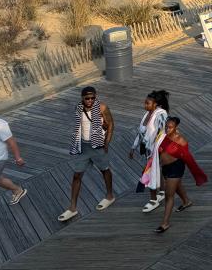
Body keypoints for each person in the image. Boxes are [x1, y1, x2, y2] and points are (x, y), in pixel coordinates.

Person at [58, 86, 116, 221]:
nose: (90, 100)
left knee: (105, 170)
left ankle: (109, 196)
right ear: (82, 98)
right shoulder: (78, 108)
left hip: (98, 146)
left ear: (95, 96)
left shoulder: (102, 107)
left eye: (92, 98)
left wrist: (107, 143)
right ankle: (72, 208)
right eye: (87, 98)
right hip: (83, 146)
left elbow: (111, 124)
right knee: (77, 175)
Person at [153, 116, 207, 232]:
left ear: (176, 127)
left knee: (169, 195)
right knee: (177, 186)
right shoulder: (163, 136)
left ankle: (165, 223)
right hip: (165, 168)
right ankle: (186, 201)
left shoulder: (181, 140)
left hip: (176, 168)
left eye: (170, 127)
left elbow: (188, 158)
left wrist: (196, 173)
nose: (167, 129)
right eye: (166, 127)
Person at [130, 89, 169, 213]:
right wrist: (133, 147)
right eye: (145, 103)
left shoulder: (161, 114)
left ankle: (153, 200)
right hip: (148, 150)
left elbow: (164, 133)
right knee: (157, 171)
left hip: (156, 150)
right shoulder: (146, 114)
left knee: (149, 174)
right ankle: (162, 191)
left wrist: (157, 151)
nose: (145, 105)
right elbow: (141, 132)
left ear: (155, 104)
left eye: (147, 103)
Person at [0, 115, 27, 206]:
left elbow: (11, 141)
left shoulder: (0, 124)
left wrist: (18, 158)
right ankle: (17, 190)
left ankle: (17, 190)